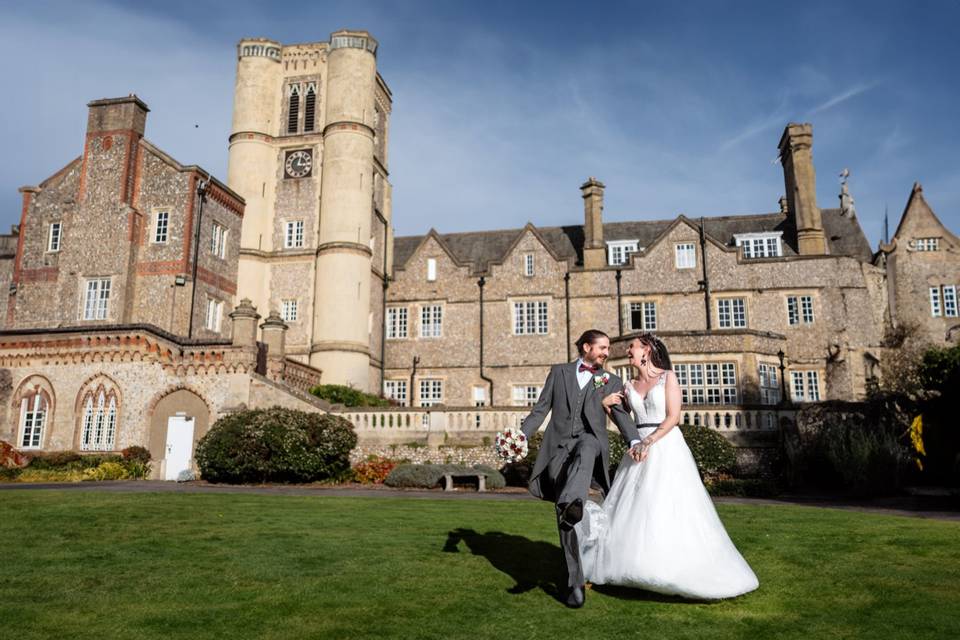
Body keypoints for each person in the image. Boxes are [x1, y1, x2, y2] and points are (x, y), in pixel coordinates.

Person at [575, 333, 759, 600]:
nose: (627, 351)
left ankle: (674, 567)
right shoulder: (628, 385)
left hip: (665, 446)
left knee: (667, 504)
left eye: (632, 347)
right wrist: (607, 407)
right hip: (638, 450)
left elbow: (673, 417)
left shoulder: (667, 377)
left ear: (646, 350)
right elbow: (624, 421)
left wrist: (648, 441)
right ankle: (632, 566)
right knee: (635, 507)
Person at [517, 329, 643, 608]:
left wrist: (634, 440)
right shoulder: (559, 372)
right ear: (586, 347)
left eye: (608, 349)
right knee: (566, 519)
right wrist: (520, 436)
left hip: (589, 447)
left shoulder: (610, 380)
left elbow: (619, 413)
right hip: (557, 452)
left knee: (587, 444)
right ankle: (575, 583)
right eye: (602, 348)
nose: (607, 353)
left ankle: (573, 501)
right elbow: (541, 409)